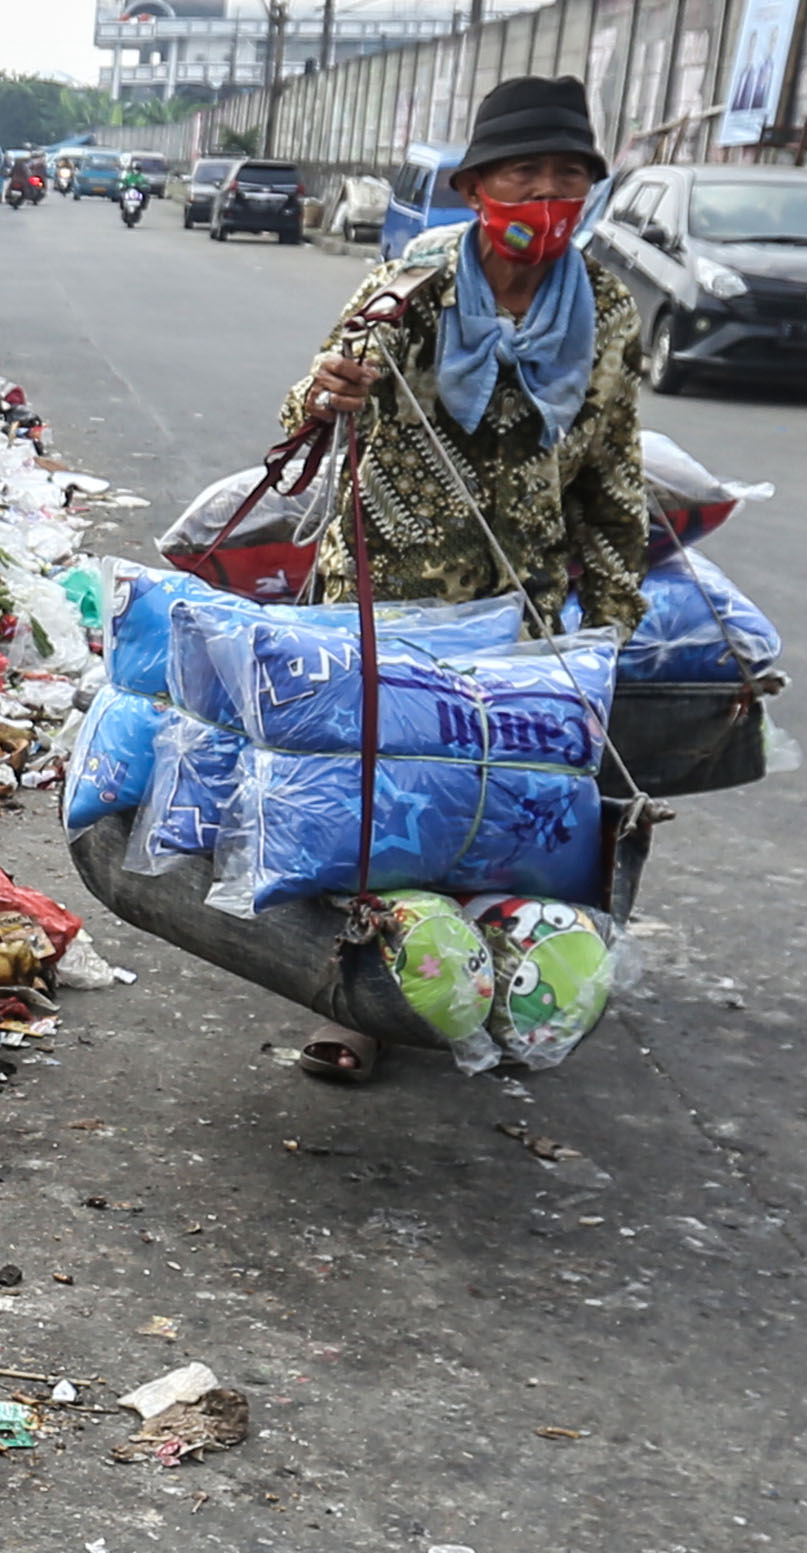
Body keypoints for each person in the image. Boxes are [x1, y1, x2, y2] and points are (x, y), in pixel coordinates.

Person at [275, 73, 647, 1084]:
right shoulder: (413, 282)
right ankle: (349, 1002)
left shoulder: (607, 312)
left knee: (477, 806)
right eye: (520, 175)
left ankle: (468, 974)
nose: (542, 196)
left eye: (565, 176)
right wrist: (326, 393)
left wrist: (606, 631)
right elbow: (303, 406)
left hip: (512, 604)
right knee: (368, 808)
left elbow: (611, 480)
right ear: (477, 186)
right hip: (379, 591)